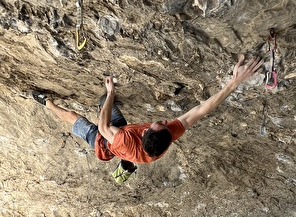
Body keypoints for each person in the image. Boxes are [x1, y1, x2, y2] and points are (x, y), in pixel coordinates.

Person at [32, 55, 263, 177]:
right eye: (164, 124)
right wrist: (235, 82)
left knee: (74, 116)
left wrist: (112, 91)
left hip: (103, 143)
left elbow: (103, 127)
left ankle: (47, 103)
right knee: (104, 102)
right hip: (120, 132)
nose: (164, 120)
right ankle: (105, 100)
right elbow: (202, 110)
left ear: (145, 131)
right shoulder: (166, 136)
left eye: (159, 123)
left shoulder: (125, 140)